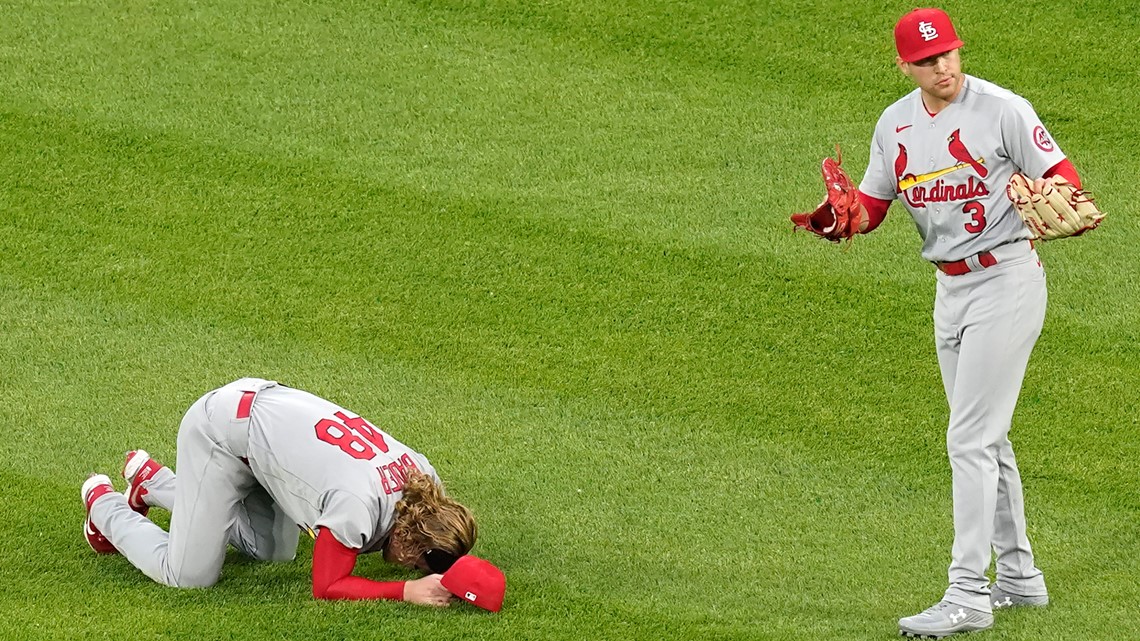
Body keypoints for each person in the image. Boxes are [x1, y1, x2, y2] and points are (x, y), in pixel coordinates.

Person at [795, 7, 1081, 638]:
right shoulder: (894, 124)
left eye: (949, 53)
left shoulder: (1003, 108)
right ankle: (1020, 580)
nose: (943, 66)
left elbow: (1061, 174)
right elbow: (872, 203)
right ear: (905, 65)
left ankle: (967, 594)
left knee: (969, 440)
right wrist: (838, 218)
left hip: (1006, 279)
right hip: (949, 291)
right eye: (928, 60)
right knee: (986, 437)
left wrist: (1060, 193)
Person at [81, 377, 486, 607]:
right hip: (220, 434)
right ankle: (104, 504)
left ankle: (154, 481)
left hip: (266, 426)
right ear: (405, 534)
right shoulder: (357, 505)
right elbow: (327, 586)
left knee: (271, 550)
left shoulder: (422, 476)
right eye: (416, 563)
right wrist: (405, 591)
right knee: (188, 575)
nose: (410, 568)